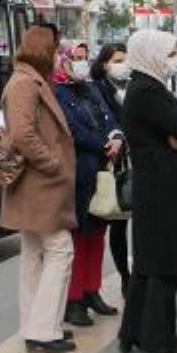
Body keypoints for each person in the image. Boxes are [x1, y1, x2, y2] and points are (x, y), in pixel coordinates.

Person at [117, 30, 177, 353]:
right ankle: (160, 342)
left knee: (149, 266)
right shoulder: (146, 91)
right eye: (169, 53)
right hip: (161, 187)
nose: (174, 59)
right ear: (150, 53)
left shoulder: (144, 87)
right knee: (162, 266)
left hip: (159, 184)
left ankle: (134, 333)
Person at [1, 27, 77, 353]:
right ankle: (44, 330)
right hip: (39, 184)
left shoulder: (30, 80)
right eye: (57, 49)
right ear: (44, 49)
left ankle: (36, 327)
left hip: (37, 185)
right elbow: (22, 133)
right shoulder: (24, 83)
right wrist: (52, 162)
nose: (60, 54)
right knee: (60, 251)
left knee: (34, 253)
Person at [54, 43, 124, 328]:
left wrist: (117, 136)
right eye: (76, 59)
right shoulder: (56, 91)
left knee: (97, 232)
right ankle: (74, 300)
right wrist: (103, 145)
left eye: (84, 59)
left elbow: (109, 117)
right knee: (78, 236)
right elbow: (70, 129)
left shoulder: (90, 88)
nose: (81, 64)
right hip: (77, 173)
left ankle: (92, 291)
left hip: (100, 170)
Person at [90, 43, 133, 294]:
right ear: (104, 63)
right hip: (115, 160)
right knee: (118, 220)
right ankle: (125, 277)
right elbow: (105, 120)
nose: (123, 64)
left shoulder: (133, 84)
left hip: (138, 157)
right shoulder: (98, 89)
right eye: (118, 60)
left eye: (125, 59)